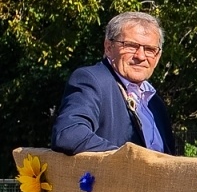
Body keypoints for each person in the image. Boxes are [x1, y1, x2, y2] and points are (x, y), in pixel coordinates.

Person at [51, 11, 178, 155]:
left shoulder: (155, 102)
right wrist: (127, 159)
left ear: (158, 55)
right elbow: (69, 134)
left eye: (150, 49)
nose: (141, 56)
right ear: (109, 48)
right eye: (131, 46)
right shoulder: (93, 80)